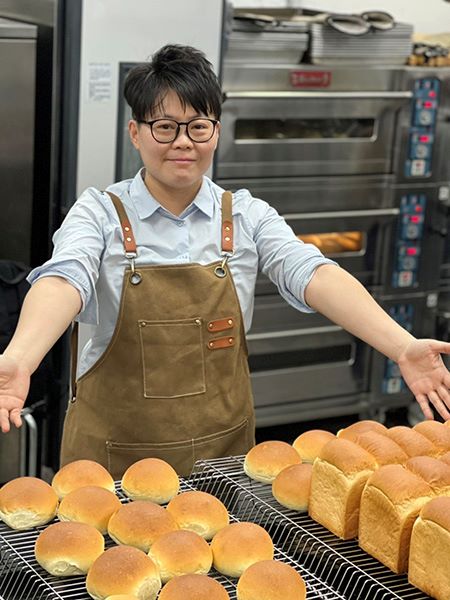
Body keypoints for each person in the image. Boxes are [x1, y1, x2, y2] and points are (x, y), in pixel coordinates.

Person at [1, 44, 450, 478]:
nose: (183, 142)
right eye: (165, 126)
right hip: (110, 459)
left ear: (215, 131)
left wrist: (401, 346)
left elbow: (313, 273)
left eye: (199, 126)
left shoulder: (247, 215)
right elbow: (65, 279)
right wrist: (21, 359)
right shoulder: (99, 212)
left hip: (223, 461)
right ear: (135, 132)